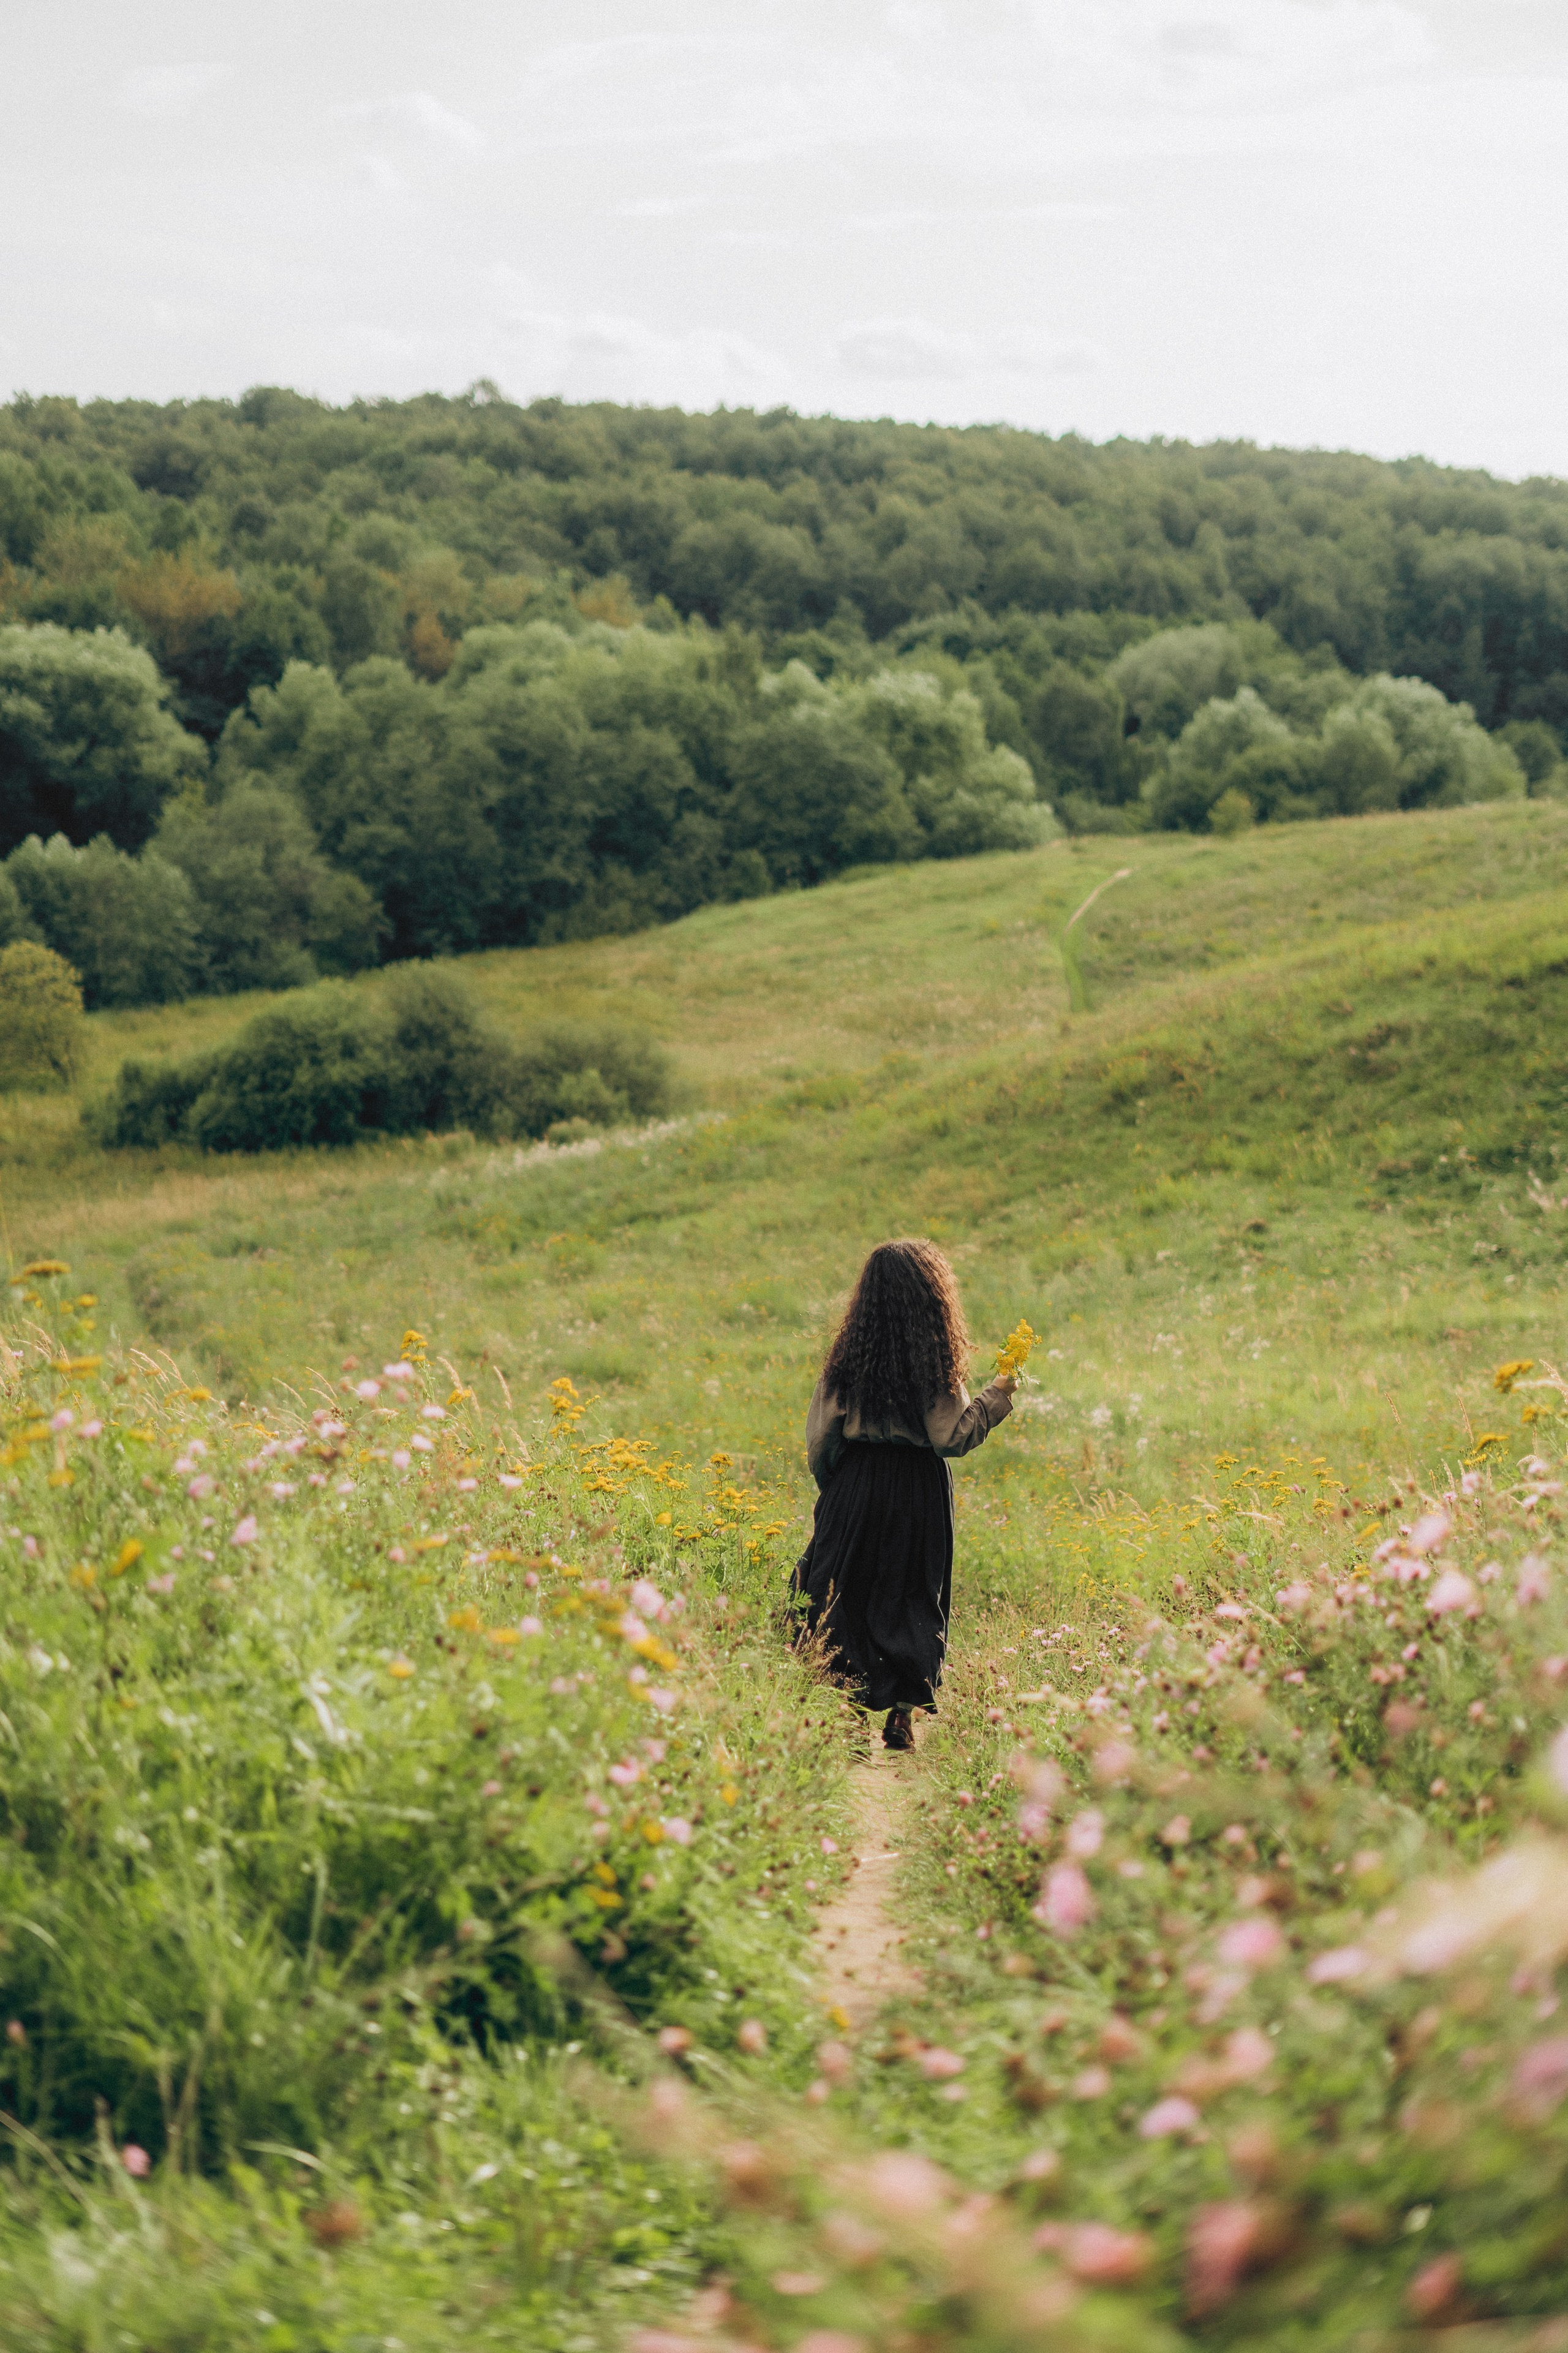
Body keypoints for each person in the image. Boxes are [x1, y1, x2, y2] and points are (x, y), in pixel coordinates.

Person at [794, 1237, 1016, 1750]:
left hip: (857, 1485)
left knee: (846, 1594)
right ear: (932, 1298)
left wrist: (836, 1493)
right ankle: (900, 1716)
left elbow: (821, 1439)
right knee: (912, 1594)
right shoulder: (935, 1363)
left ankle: (848, 1714)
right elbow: (951, 1437)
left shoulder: (846, 1362)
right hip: (919, 1489)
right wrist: (998, 1394)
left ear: (865, 1299)